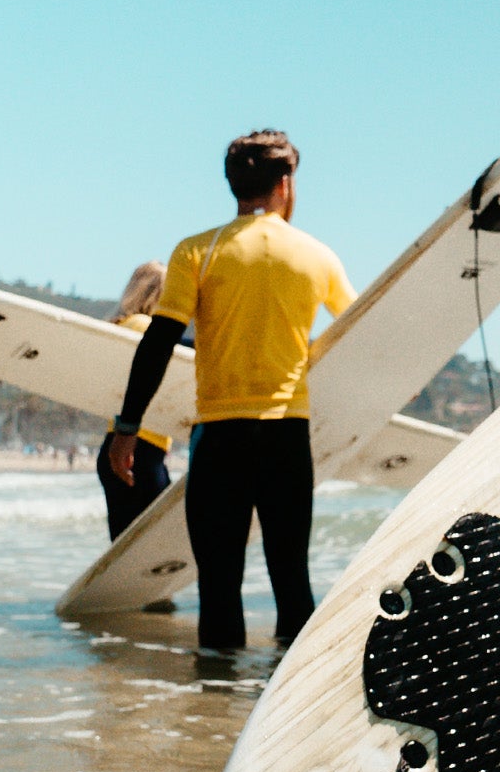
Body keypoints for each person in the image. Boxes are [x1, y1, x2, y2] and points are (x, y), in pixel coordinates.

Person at [107, 129, 357, 652]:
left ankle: (215, 717)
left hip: (220, 439)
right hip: (287, 438)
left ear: (232, 184)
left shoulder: (199, 250)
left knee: (219, 588)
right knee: (292, 580)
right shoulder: (316, 254)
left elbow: (158, 343)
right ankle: (290, 717)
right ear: (285, 183)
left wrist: (127, 428)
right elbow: (358, 334)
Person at [98, 260, 174, 542]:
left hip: (117, 445)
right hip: (139, 451)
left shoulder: (119, 327)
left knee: (126, 552)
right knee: (153, 557)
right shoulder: (146, 328)